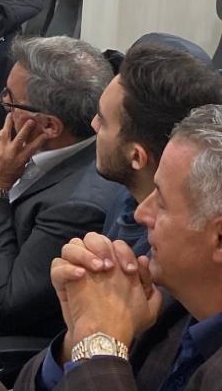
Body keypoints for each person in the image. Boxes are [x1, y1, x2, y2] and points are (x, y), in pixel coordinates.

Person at [13, 103, 222, 391]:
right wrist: (79, 334)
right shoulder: (174, 301)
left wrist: (99, 346)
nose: (141, 213)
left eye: (162, 201)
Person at [0, 36, 119, 337]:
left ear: (49, 126)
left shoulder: (77, 207)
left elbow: (5, 307)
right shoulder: (36, 151)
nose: (3, 106)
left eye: (10, 101)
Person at [95, 37, 222, 255]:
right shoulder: (128, 193)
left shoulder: (172, 258)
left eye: (103, 121)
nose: (93, 125)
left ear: (137, 157)